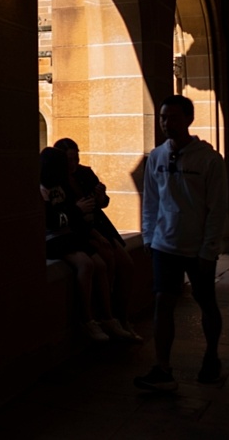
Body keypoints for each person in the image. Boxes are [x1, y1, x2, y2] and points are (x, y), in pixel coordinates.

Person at [134, 94, 227, 391]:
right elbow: (151, 200)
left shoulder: (209, 159)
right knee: (163, 303)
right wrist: (148, 235)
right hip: (164, 244)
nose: (166, 123)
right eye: (163, 117)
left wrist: (209, 249)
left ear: (189, 119)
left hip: (197, 247)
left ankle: (211, 356)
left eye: (173, 117)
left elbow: (217, 208)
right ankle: (162, 367)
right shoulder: (157, 156)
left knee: (206, 302)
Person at [53, 138, 140, 341]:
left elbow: (103, 203)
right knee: (104, 262)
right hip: (80, 232)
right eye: (68, 159)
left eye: (76, 158)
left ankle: (121, 318)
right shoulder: (55, 180)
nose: (73, 163)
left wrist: (101, 198)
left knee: (126, 265)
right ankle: (107, 317)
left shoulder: (84, 173)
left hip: (99, 227)